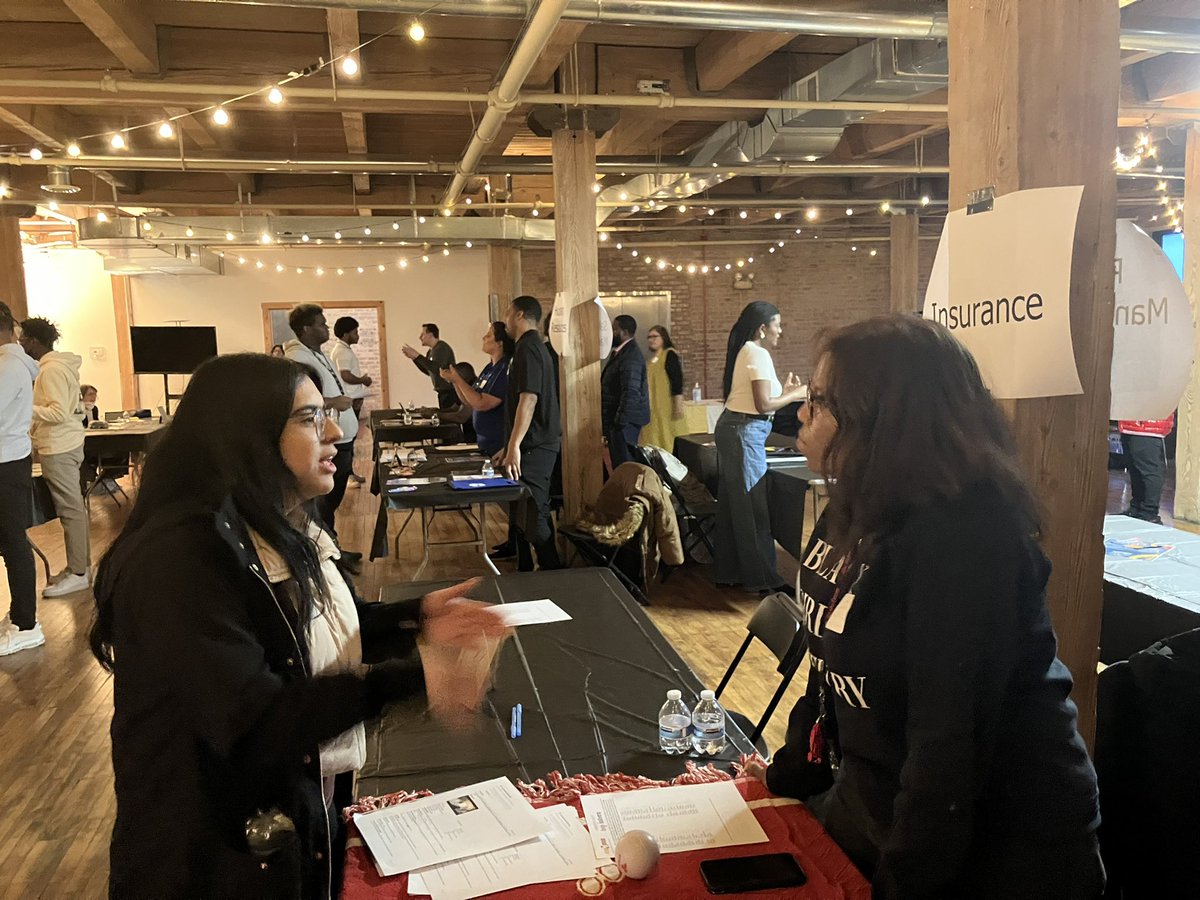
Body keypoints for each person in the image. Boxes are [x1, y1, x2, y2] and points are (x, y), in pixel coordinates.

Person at [89, 353, 507, 900]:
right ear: (248, 435)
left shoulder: (268, 523)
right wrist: (415, 677)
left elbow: (306, 632)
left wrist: (418, 620)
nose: (334, 431)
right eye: (310, 418)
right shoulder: (181, 556)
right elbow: (257, 718)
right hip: (208, 856)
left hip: (282, 818)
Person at [748, 315, 1103, 899]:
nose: (802, 415)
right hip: (881, 799)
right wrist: (794, 770)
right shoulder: (855, 504)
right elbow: (829, 659)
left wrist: (902, 883)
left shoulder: (964, 536)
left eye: (820, 401)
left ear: (884, 419)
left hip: (1000, 843)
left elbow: (948, 744)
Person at [713, 301, 806, 592]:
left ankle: (729, 573)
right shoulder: (758, 353)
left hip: (734, 428)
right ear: (763, 328)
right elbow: (763, 404)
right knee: (753, 509)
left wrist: (786, 391)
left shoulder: (747, 351)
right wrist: (797, 395)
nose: (781, 329)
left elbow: (762, 399)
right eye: (777, 324)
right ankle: (764, 580)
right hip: (744, 432)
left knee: (732, 507)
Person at [283, 304, 361, 564]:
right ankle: (328, 554)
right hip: (327, 440)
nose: (327, 327)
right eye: (321, 324)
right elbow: (299, 400)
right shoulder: (298, 359)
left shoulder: (318, 354)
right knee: (323, 502)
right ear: (306, 329)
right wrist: (334, 402)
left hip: (342, 437)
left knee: (333, 499)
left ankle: (333, 547)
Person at [19, 316, 91, 598]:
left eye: (23, 339)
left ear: (34, 341)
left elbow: (59, 412)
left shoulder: (50, 372)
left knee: (70, 511)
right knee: (73, 509)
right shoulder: (58, 367)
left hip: (59, 447)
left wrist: (27, 407)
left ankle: (79, 573)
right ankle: (79, 566)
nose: (20, 343)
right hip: (64, 444)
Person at [498, 296, 563, 571]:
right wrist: (509, 445)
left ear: (520, 314)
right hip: (530, 443)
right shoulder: (525, 348)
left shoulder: (530, 349)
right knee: (525, 512)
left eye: (508, 313)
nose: (506, 319)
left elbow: (529, 399)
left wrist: (514, 445)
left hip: (537, 444)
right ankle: (527, 570)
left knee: (534, 514)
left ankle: (554, 571)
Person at [0, 301, 42, 656]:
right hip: (8, 460)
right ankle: (18, 614)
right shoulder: (11, 363)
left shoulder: (9, 365)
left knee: (14, 542)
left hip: (6, 463)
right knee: (9, 541)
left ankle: (27, 623)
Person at [442, 321, 513, 459]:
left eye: (489, 335)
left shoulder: (504, 368)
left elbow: (481, 403)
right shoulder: (489, 368)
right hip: (483, 444)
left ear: (500, 342)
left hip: (499, 445)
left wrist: (458, 379)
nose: (483, 338)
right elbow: (470, 401)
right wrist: (454, 381)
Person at [601, 314, 650, 468]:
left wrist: (619, 422)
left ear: (623, 332)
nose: (611, 334)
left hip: (625, 423)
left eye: (614, 329)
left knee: (625, 465)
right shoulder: (621, 353)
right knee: (620, 463)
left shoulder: (631, 356)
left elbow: (631, 391)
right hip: (619, 421)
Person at [330, 317, 373, 485]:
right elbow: (344, 375)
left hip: (352, 399)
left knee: (352, 439)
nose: (358, 335)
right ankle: (346, 476)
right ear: (346, 334)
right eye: (355, 332)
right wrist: (363, 379)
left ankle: (349, 473)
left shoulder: (345, 349)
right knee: (348, 441)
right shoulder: (342, 351)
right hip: (348, 400)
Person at [639, 324, 686, 452]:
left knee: (667, 440)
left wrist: (678, 404)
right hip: (652, 409)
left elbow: (677, 381)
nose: (651, 340)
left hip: (667, 408)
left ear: (663, 338)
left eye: (655, 336)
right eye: (649, 337)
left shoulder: (669, 355)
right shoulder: (650, 361)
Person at [1119, 415, 1173, 523]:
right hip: (1129, 424)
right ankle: (1136, 508)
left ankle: (1149, 513)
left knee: (1149, 470)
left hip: (1147, 426)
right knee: (1135, 469)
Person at [402, 323, 457, 410]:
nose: (420, 337)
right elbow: (428, 370)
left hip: (450, 392)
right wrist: (414, 358)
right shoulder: (431, 351)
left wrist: (417, 356)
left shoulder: (441, 348)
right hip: (443, 393)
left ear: (430, 335)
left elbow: (436, 368)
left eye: (423, 334)